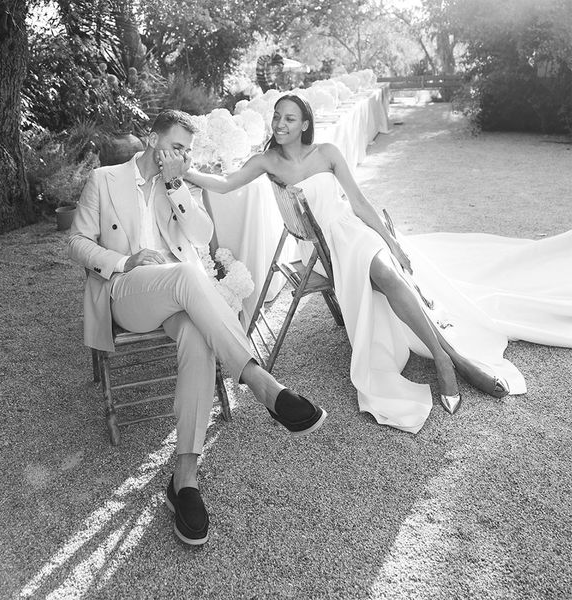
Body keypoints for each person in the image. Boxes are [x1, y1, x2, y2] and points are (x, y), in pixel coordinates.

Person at [183, 94, 530, 433]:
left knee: (387, 273)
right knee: (387, 279)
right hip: (323, 249)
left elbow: (359, 203)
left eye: (289, 118)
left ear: (305, 124)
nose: (280, 124)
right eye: (276, 116)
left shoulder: (327, 152)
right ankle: (453, 357)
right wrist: (187, 171)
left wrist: (392, 243)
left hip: (352, 231)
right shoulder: (268, 161)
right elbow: (226, 185)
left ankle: (445, 359)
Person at [68, 109, 327, 547]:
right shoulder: (105, 179)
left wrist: (174, 185)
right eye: (175, 148)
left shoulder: (179, 184)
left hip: (177, 295)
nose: (181, 157)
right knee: (189, 277)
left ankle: (184, 479)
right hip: (126, 291)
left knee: (195, 334)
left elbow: (204, 233)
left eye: (186, 151)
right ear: (151, 140)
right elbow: (77, 241)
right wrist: (123, 262)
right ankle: (261, 383)